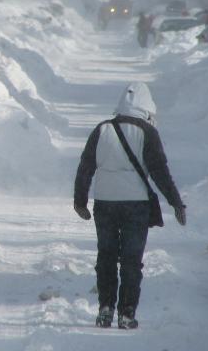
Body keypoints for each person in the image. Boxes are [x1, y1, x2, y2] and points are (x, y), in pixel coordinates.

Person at [73, 82, 186, 329]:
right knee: (131, 261)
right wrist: (176, 202)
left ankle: (105, 309)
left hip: (105, 203)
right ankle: (126, 314)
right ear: (147, 106)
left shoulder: (101, 129)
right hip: (136, 206)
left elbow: (86, 167)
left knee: (106, 256)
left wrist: (80, 200)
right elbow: (159, 172)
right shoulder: (147, 132)